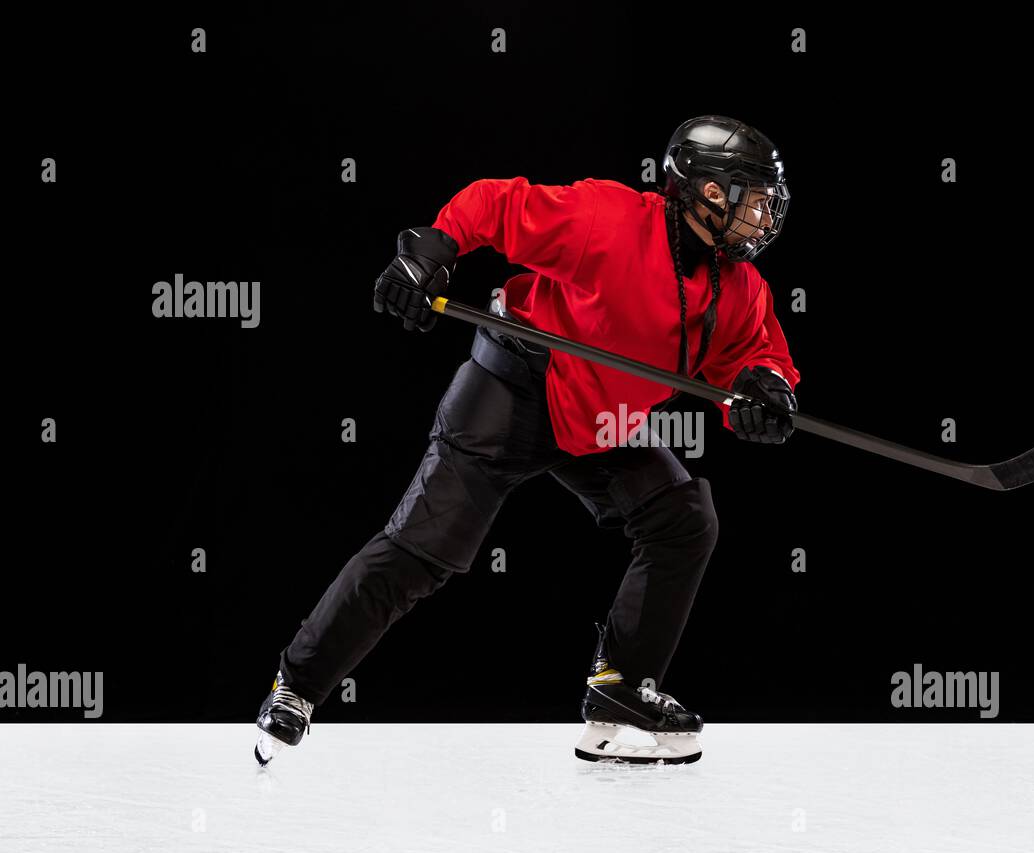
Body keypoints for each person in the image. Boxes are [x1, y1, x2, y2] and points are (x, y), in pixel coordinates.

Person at [255, 115, 800, 766]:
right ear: (709, 193)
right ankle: (296, 688)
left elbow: (757, 356)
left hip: (599, 418)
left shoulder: (737, 290)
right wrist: (431, 248)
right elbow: (495, 204)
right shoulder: (611, 220)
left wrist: (765, 391)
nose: (766, 216)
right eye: (756, 197)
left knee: (682, 519)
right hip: (515, 387)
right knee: (424, 551)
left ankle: (619, 699)